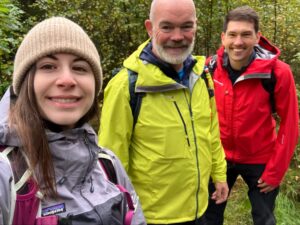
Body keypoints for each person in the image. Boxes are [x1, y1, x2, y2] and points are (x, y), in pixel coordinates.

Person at [0, 17, 146, 225]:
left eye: (80, 68)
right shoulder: (6, 175)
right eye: (49, 66)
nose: (67, 80)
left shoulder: (108, 165)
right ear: (25, 82)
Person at [98, 0, 229, 224]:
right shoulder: (126, 86)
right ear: (150, 28)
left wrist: (219, 174)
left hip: (200, 209)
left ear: (196, 26)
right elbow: (112, 163)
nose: (177, 36)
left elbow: (210, 132)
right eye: (167, 27)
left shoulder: (201, 75)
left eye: (186, 26)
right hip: (151, 217)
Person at [204, 6, 299, 225]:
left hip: (261, 158)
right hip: (219, 158)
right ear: (223, 37)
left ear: (257, 37)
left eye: (246, 34)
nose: (238, 42)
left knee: (264, 219)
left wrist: (275, 171)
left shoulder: (277, 72)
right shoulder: (208, 68)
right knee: (208, 218)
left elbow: (290, 123)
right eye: (233, 34)